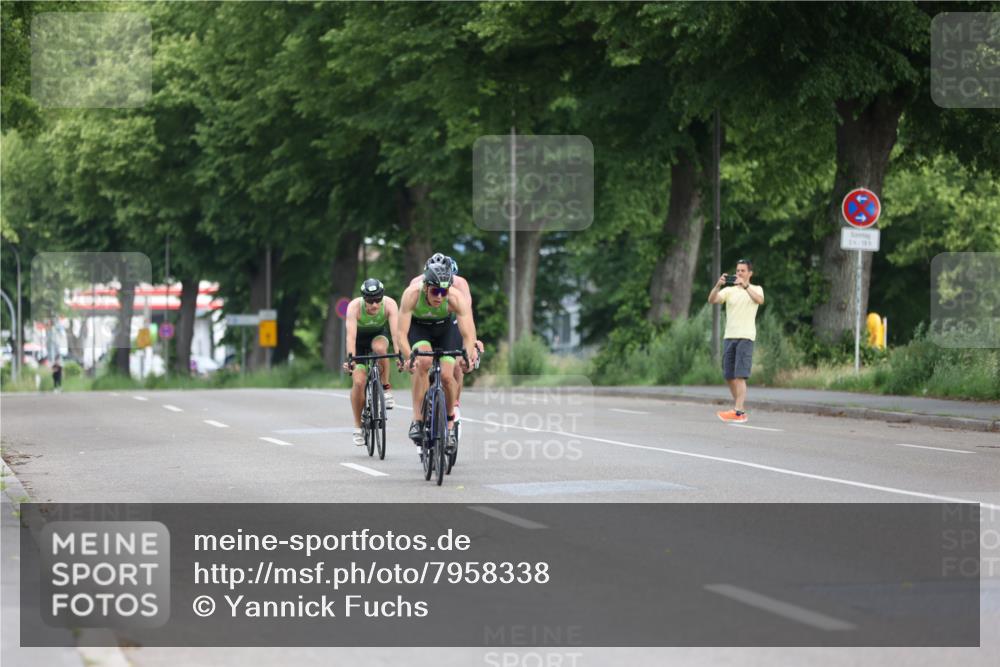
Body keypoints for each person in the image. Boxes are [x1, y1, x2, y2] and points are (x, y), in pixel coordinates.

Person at [398, 259, 479, 448]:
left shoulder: (455, 297)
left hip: (445, 330)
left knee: (446, 375)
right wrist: (409, 356)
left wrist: (468, 355)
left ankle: (451, 424)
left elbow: (467, 334)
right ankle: (417, 420)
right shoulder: (411, 294)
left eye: (444, 291)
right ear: (425, 287)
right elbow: (401, 334)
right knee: (424, 362)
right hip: (420, 329)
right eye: (436, 291)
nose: (440, 297)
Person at [343, 279, 402, 446]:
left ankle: (385, 388)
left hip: (378, 336)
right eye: (370, 301)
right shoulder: (354, 307)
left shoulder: (390, 304)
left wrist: (399, 355)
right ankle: (357, 427)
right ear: (364, 299)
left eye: (378, 300)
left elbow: (396, 334)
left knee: (381, 350)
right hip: (359, 343)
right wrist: (351, 359)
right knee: (359, 382)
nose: (374, 305)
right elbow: (351, 337)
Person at [708, 259, 764, 423]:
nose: (739, 273)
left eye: (742, 271)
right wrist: (718, 285)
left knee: (740, 375)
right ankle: (739, 408)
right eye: (737, 270)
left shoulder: (755, 289)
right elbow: (712, 300)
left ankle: (738, 412)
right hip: (729, 337)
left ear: (750, 273)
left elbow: (760, 300)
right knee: (729, 375)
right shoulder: (729, 291)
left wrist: (746, 286)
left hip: (745, 337)